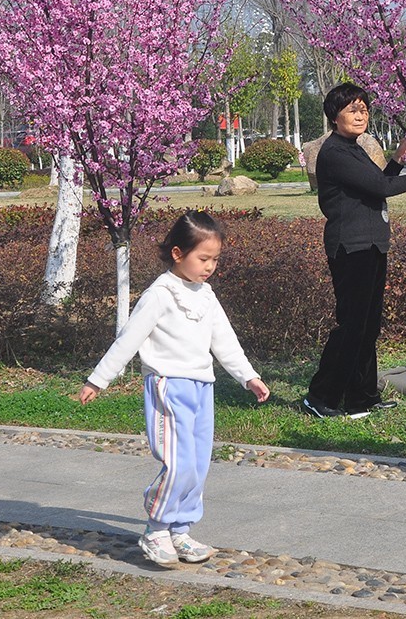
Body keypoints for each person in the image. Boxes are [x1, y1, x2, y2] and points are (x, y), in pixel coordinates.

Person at [77, 210, 270, 565]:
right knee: (178, 462)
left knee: (198, 463)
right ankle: (156, 528)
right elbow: (128, 340)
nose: (210, 266)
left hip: (202, 386)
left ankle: (180, 529)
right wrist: (98, 379)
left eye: (215, 259)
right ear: (178, 254)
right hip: (168, 386)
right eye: (203, 258)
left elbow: (224, 340)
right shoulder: (160, 294)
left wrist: (248, 376)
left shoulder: (206, 295)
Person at [302, 82, 406, 419]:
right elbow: (381, 187)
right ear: (334, 116)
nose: (360, 115)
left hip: (371, 243)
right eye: (353, 110)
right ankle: (320, 396)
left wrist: (399, 158)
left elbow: (375, 184)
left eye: (364, 109)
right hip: (350, 246)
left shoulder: (353, 149)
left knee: (367, 326)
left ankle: (361, 398)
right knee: (352, 324)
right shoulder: (335, 152)